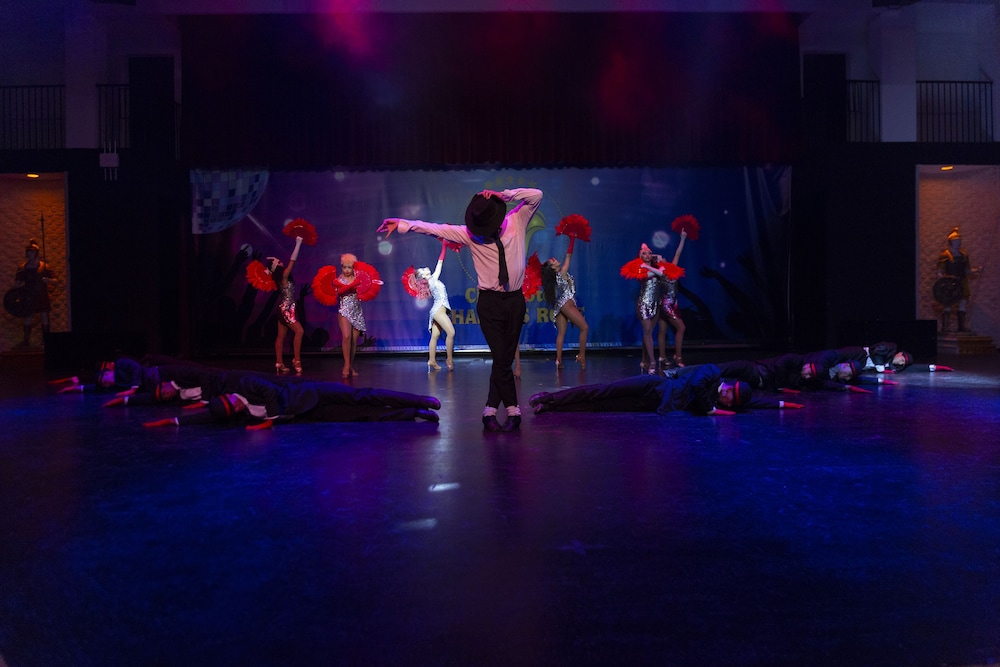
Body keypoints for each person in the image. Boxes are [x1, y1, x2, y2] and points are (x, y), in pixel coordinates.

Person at [379, 187, 544, 432]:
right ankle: (513, 410)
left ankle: (490, 410)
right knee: (501, 357)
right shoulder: (469, 234)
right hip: (489, 302)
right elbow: (433, 228)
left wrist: (505, 195)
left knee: (504, 359)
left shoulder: (517, 220)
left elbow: (536, 195)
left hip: (514, 301)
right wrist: (405, 224)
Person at [142, 372, 441, 428]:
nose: (239, 406)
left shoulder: (244, 384)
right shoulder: (235, 413)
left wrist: (270, 420)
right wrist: (171, 421)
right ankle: (414, 415)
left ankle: (421, 400)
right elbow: (205, 416)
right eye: (235, 410)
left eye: (235, 403)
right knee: (362, 416)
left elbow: (270, 392)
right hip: (307, 414)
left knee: (364, 396)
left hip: (310, 393)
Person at [528, 363, 802, 416]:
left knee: (601, 407)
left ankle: (551, 408)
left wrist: (786, 405)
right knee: (604, 390)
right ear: (730, 387)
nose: (727, 402)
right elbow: (696, 383)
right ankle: (551, 397)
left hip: (652, 405)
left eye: (731, 404)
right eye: (730, 397)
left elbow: (756, 405)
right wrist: (711, 410)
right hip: (654, 386)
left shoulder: (722, 400)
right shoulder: (712, 374)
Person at [541, 240, 589, 370]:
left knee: (561, 333)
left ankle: (558, 360)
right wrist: (572, 238)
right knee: (584, 328)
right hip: (566, 303)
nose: (555, 259)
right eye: (553, 261)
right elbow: (568, 255)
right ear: (553, 267)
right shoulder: (561, 273)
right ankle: (581, 355)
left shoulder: (557, 276)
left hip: (560, 305)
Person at [650, 230, 688, 369]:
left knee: (662, 330)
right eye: (661, 258)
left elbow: (677, 253)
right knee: (681, 327)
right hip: (667, 305)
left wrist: (683, 238)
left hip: (670, 303)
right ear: (658, 263)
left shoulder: (670, 269)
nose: (664, 257)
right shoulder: (661, 273)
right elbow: (675, 255)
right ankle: (678, 356)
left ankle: (662, 356)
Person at [417, 239, 456, 371]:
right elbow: (440, 262)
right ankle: (449, 359)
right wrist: (444, 246)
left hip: (436, 310)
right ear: (424, 277)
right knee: (451, 332)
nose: (426, 268)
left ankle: (432, 360)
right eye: (424, 271)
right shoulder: (432, 280)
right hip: (439, 310)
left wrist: (444, 246)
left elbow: (440, 262)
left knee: (435, 336)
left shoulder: (432, 280)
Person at [936, 227, 982, 333]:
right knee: (948, 304)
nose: (958, 243)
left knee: (962, 303)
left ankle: (961, 327)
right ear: (950, 242)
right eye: (955, 241)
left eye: (959, 241)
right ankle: (945, 327)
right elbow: (939, 271)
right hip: (950, 283)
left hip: (962, 282)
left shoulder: (963, 255)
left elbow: (967, 270)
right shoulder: (945, 255)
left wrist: (977, 270)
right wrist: (942, 281)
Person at [13, 239, 56, 347]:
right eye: (28, 252)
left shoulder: (45, 266)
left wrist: (49, 280)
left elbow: (55, 280)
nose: (29, 254)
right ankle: (26, 341)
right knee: (28, 316)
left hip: (41, 294)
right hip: (28, 295)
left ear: (36, 253)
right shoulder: (23, 267)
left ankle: (46, 341)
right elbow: (17, 282)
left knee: (44, 316)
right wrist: (17, 285)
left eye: (31, 252)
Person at [272, 236, 306, 375]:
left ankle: (279, 362)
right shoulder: (284, 276)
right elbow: (293, 260)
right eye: (279, 262)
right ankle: (296, 360)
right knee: (300, 331)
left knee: (281, 336)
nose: (281, 262)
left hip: (285, 308)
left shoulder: (283, 278)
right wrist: (298, 243)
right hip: (286, 310)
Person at [337, 253, 366, 379]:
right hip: (344, 311)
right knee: (346, 337)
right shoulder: (340, 279)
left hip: (357, 312)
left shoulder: (358, 278)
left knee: (354, 342)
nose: (347, 270)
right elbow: (339, 291)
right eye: (345, 267)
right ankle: (346, 365)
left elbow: (365, 290)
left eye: (349, 267)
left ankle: (350, 365)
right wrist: (352, 286)